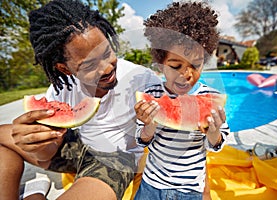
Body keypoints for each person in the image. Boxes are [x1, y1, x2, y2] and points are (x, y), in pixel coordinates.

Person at [0, 0, 161, 199]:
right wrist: (37, 144)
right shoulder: (61, 88)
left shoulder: (143, 81)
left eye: (107, 53)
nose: (107, 68)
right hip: (76, 146)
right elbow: (48, 155)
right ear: (65, 69)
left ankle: (35, 194)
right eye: (90, 65)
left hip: (117, 158)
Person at [133, 2, 230, 200]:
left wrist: (214, 132)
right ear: (161, 64)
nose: (186, 74)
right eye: (176, 65)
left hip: (190, 190)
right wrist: (148, 125)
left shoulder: (209, 96)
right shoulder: (151, 93)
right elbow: (140, 139)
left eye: (195, 65)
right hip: (152, 184)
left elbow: (217, 145)